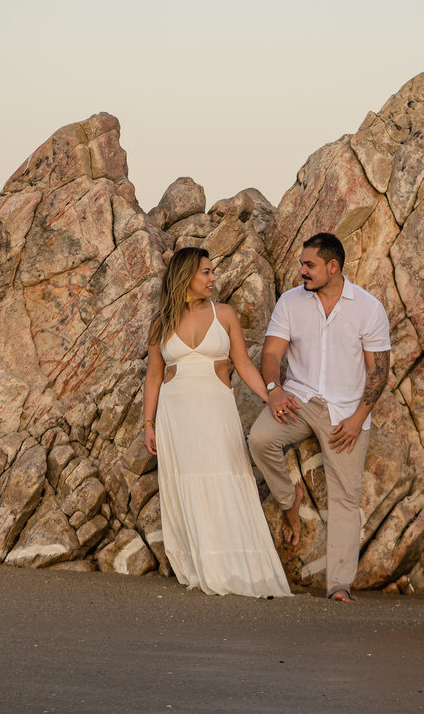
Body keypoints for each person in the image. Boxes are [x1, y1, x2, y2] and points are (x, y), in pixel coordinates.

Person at [247, 233, 391, 602]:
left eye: (309, 265)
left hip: (345, 412)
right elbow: (272, 353)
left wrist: (359, 417)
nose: (301, 272)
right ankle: (288, 498)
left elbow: (379, 371)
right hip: (298, 398)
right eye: (301, 264)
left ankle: (339, 584)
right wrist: (273, 388)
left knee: (345, 497)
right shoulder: (291, 302)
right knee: (259, 439)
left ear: (333, 267)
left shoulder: (369, 308)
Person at [142, 247, 292, 598]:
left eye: (213, 272)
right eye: (206, 272)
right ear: (186, 277)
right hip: (176, 414)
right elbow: (153, 375)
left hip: (216, 410)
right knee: (188, 484)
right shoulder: (160, 323)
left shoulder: (224, 313)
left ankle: (233, 566)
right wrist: (148, 424)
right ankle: (199, 566)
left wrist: (271, 395)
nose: (213, 278)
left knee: (226, 478)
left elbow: (243, 364)